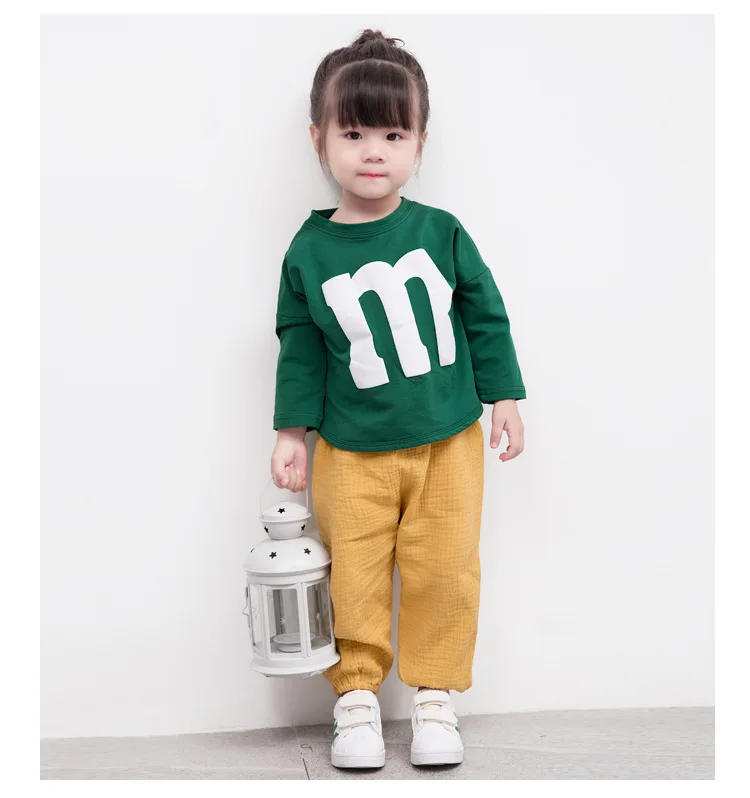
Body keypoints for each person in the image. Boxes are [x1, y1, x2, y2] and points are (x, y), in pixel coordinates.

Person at [269, 29, 526, 769]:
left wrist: (504, 396)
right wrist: (291, 433)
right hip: (351, 450)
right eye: (353, 134)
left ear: (419, 142)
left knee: (445, 568)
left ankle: (434, 698)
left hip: (448, 440)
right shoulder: (309, 251)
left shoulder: (440, 232)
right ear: (319, 140)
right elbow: (300, 345)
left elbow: (484, 314)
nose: (373, 151)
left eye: (393, 133)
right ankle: (355, 699)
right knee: (352, 575)